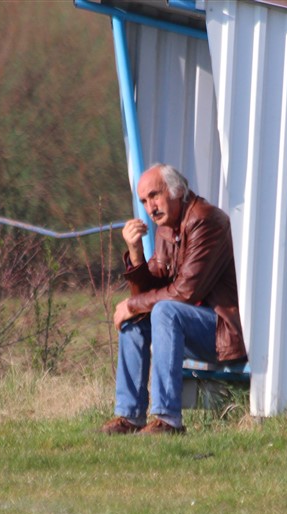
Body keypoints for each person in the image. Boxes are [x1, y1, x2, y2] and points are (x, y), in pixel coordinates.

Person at [101, 163, 245, 435]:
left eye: (154, 195)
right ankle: (129, 416)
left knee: (163, 311)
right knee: (137, 320)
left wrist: (132, 305)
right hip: (187, 330)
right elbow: (150, 290)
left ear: (177, 190)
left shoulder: (206, 220)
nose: (150, 207)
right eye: (144, 201)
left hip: (221, 332)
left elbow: (186, 292)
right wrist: (134, 252)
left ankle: (168, 420)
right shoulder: (167, 228)